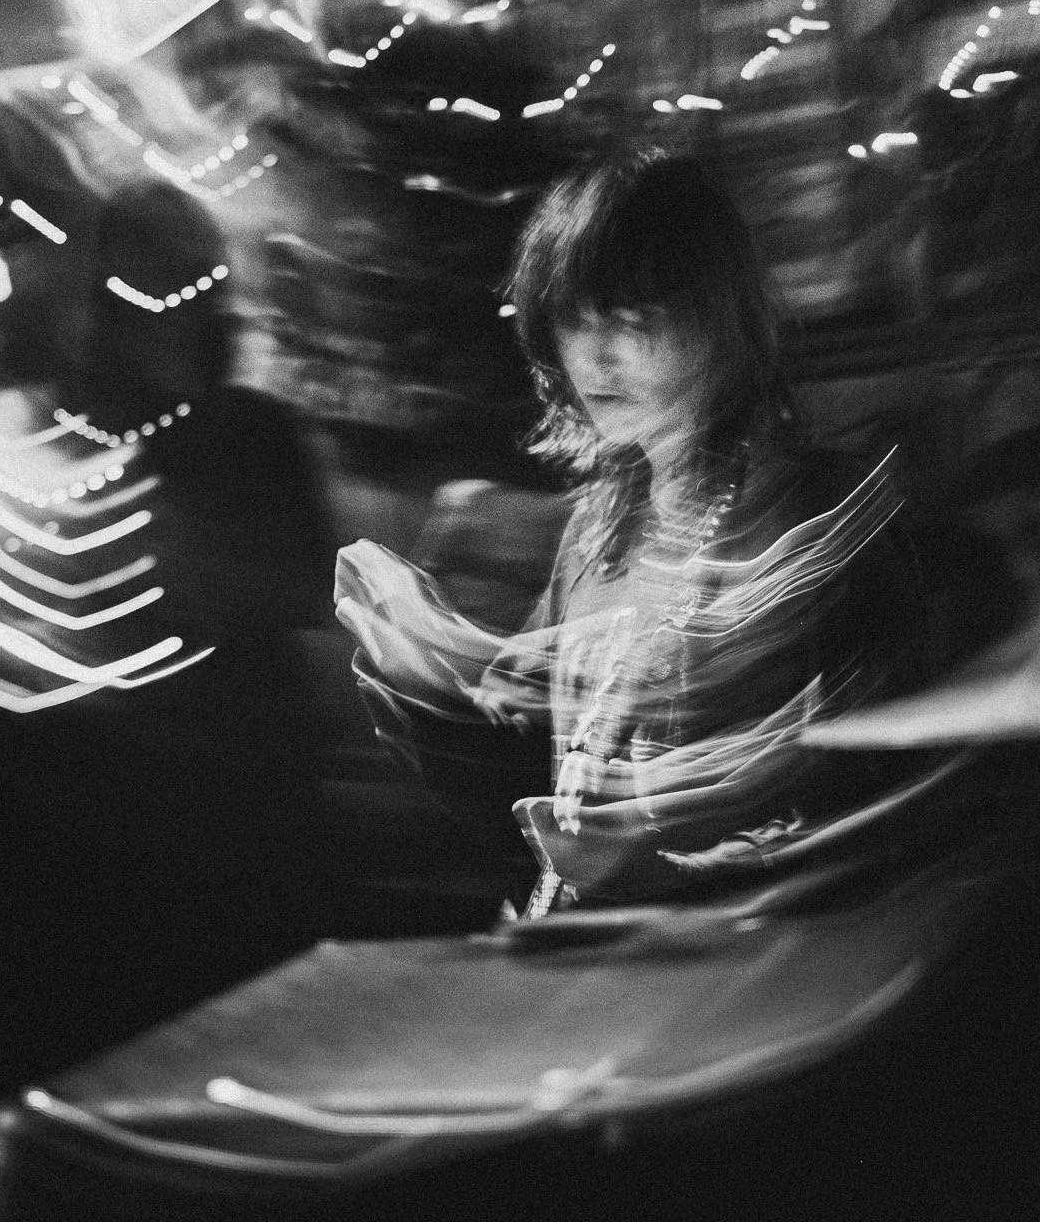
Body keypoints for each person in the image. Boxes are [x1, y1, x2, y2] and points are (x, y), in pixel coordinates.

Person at [336, 146, 931, 915]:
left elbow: (889, 793)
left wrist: (683, 843)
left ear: (717, 320)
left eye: (631, 318)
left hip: (761, 954)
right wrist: (433, 679)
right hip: (602, 948)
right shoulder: (597, 530)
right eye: (573, 320)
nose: (596, 357)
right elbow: (546, 772)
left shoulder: (824, 514)